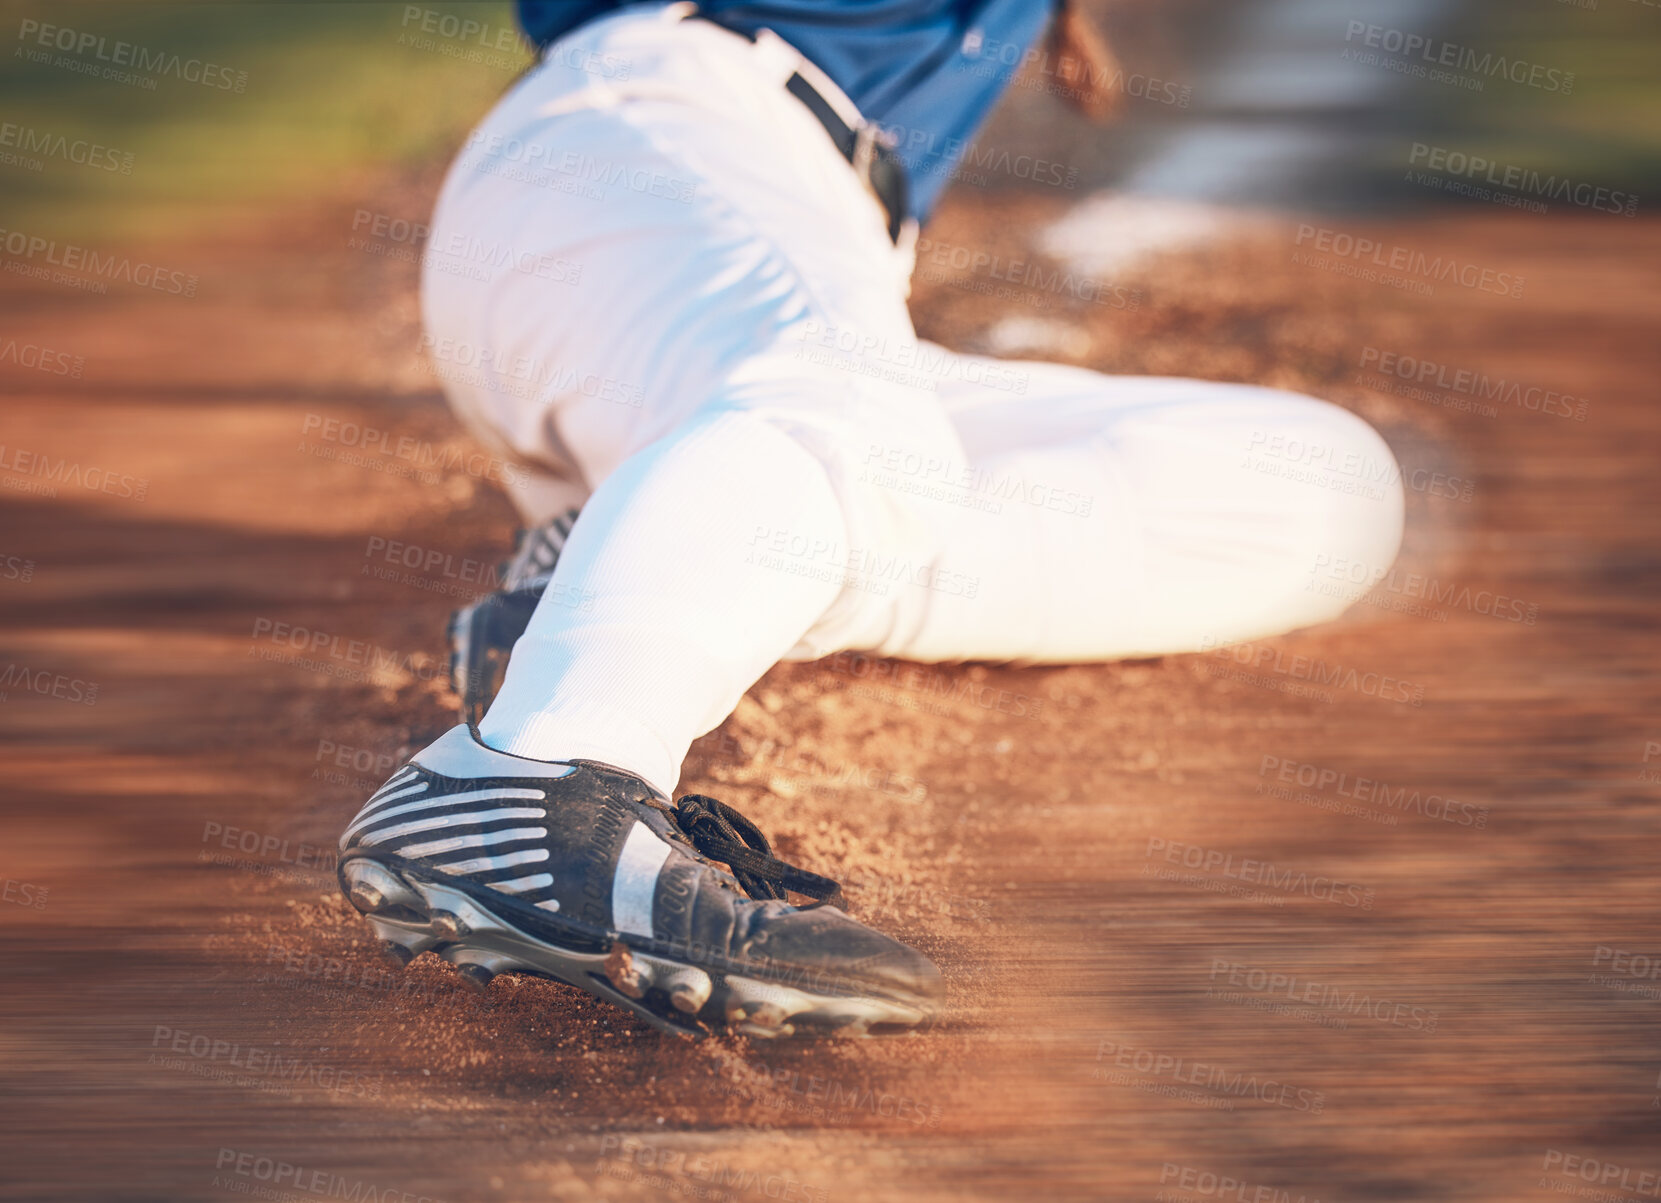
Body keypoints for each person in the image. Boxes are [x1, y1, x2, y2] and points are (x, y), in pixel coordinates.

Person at [337, 0, 1404, 1039]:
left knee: (1318, 488)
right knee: (849, 411)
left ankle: (642, 559)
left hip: (722, 249)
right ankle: (534, 772)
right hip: (649, 151)